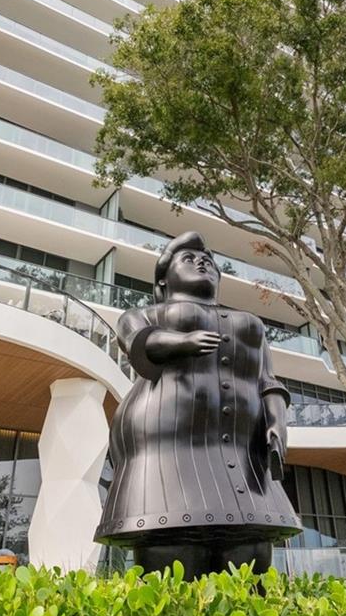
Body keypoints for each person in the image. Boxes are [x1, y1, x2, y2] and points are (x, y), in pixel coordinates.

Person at [94, 231, 302, 576]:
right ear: (163, 279)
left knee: (249, 551)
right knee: (171, 547)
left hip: (242, 452)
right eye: (187, 260)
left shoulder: (252, 324)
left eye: (207, 261)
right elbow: (137, 342)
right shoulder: (145, 313)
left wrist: (276, 423)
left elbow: (268, 381)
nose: (201, 262)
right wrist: (182, 341)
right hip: (169, 448)